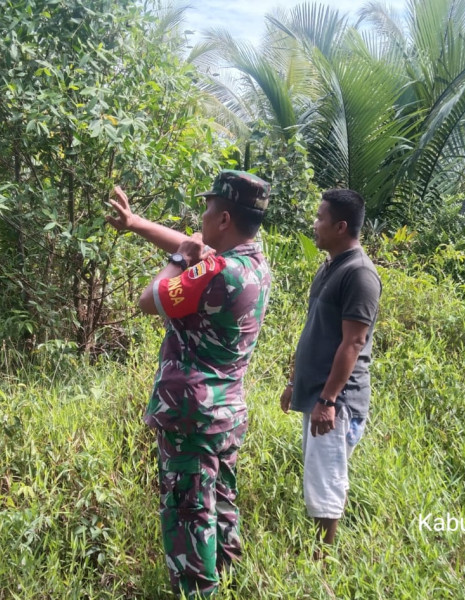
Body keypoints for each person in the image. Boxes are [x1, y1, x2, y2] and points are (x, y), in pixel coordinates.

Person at [107, 170, 272, 597]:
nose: (201, 215)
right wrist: (137, 224)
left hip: (191, 420)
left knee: (188, 518)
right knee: (219, 509)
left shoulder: (215, 274)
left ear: (223, 220)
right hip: (225, 415)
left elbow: (149, 299)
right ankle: (232, 582)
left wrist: (180, 259)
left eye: (208, 208)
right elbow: (196, 245)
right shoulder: (253, 265)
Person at [279, 188, 381, 555]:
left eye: (320, 218)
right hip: (318, 394)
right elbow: (315, 331)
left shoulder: (359, 275)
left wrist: (328, 399)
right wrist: (294, 382)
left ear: (341, 226)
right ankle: (316, 552)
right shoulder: (330, 267)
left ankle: (322, 563)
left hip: (336, 402)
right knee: (317, 479)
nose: (314, 223)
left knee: (326, 484)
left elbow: (352, 344)